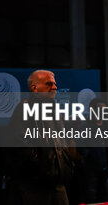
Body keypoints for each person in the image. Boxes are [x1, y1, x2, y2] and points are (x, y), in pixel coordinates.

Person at [8, 70, 74, 205]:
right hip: (35, 184)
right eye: (49, 84)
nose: (55, 87)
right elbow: (19, 144)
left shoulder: (56, 111)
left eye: (55, 84)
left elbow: (62, 142)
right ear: (35, 88)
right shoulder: (23, 109)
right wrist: (39, 167)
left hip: (57, 181)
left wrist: (66, 164)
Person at [77, 98, 108, 203]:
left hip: (107, 169)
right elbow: (81, 146)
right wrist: (90, 159)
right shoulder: (84, 126)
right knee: (91, 199)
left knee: (105, 198)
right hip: (91, 171)